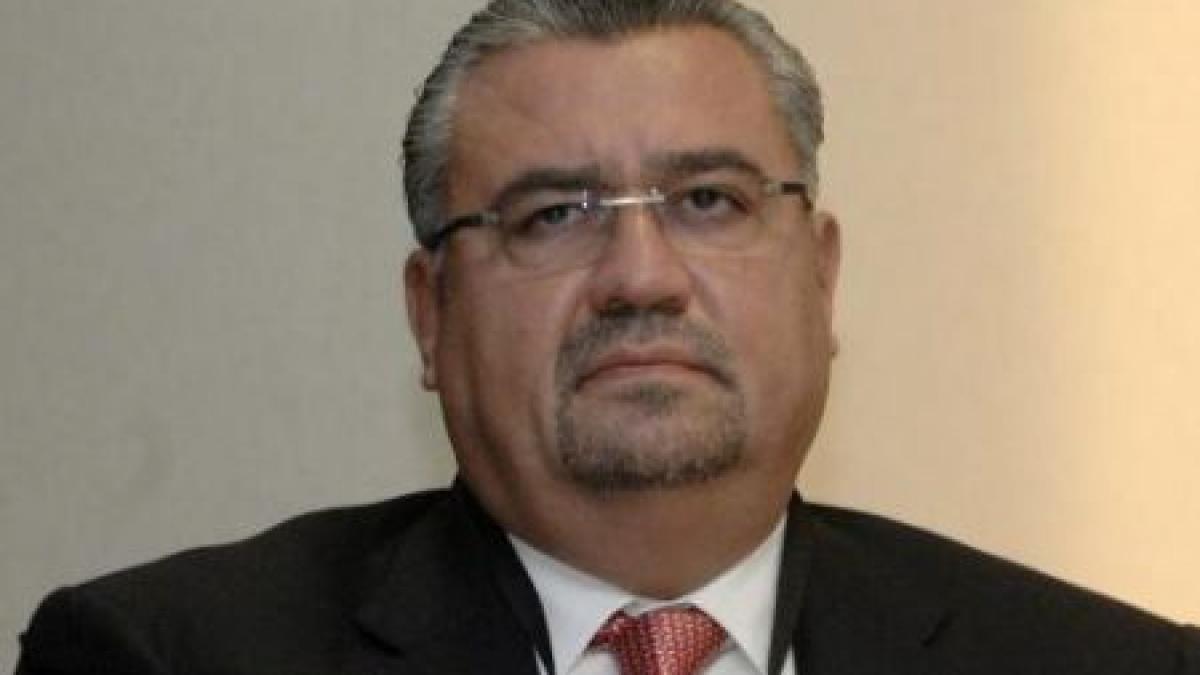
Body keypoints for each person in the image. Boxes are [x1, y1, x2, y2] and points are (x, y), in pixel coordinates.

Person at [16, 1, 1200, 673]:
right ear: (431, 314)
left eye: (710, 201)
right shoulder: (162, 661)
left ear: (821, 277)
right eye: (553, 215)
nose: (641, 277)